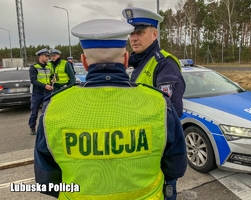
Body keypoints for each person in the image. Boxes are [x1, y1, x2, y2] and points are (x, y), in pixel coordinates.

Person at [34, 19, 187, 200]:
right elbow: (176, 167)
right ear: (125, 59)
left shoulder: (54, 108)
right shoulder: (160, 105)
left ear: (83, 61)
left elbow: (46, 181)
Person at [122, 7, 186, 118]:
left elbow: (170, 112)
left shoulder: (164, 64)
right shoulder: (139, 62)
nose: (133, 38)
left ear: (154, 34)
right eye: (131, 34)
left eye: (140, 32)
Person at [28, 48, 53, 135]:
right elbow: (33, 81)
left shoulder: (48, 66)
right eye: (46, 56)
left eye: (48, 56)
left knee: (47, 111)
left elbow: (50, 77)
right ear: (41, 56)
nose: (48, 58)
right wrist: (45, 86)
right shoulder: (34, 67)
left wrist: (52, 80)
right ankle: (32, 127)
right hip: (37, 93)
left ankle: (45, 127)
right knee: (34, 112)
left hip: (47, 93)